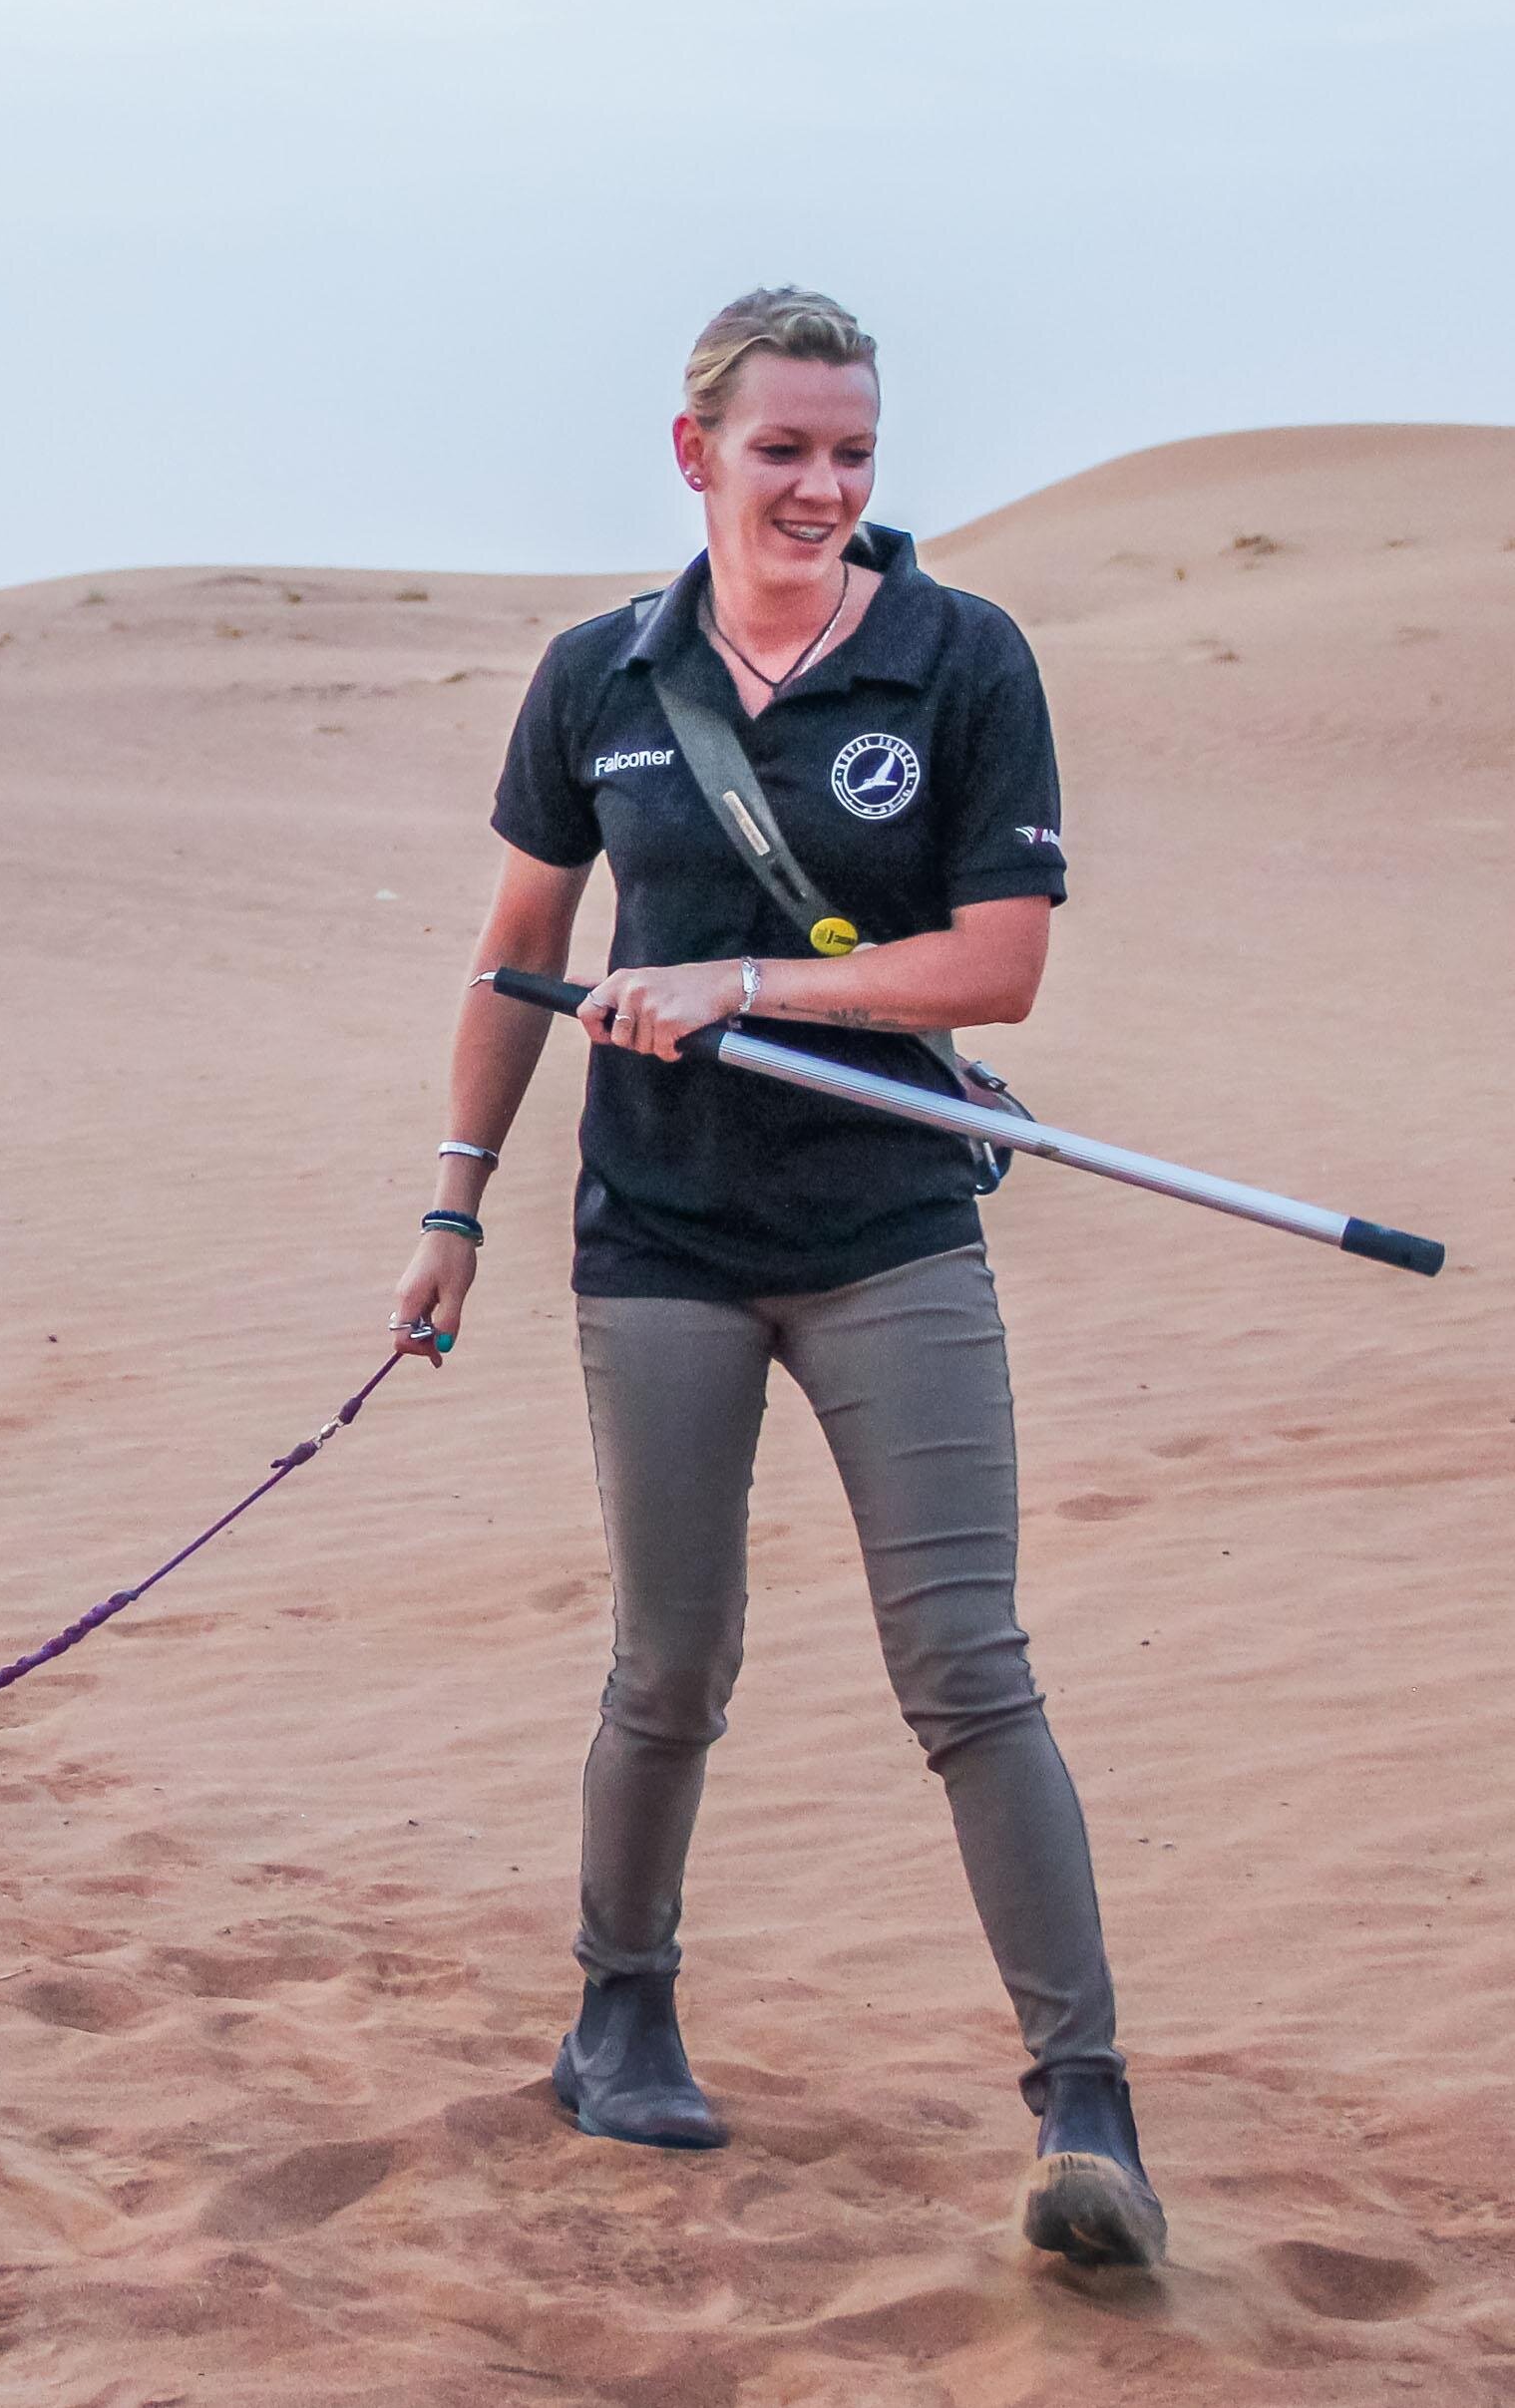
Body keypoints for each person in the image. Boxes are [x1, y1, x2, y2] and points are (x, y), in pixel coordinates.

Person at [384, 286, 1164, 2270]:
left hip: (889, 1228)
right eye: (783, 449)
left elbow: (995, 964)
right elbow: (515, 953)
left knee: (966, 1664)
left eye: (852, 453)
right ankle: (619, 2014)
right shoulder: (600, 677)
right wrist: (454, 1204)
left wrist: (741, 981)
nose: (819, 486)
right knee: (670, 1661)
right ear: (697, 454)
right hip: (658, 1240)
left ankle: (1085, 2109)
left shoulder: (958, 657)